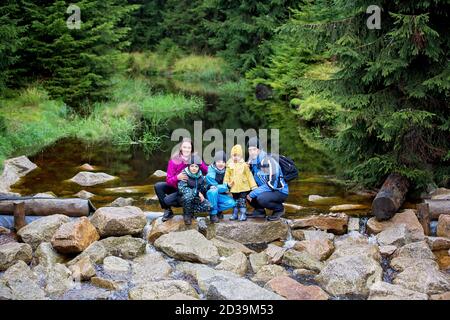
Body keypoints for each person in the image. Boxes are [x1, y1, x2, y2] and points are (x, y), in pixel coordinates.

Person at [154, 138, 208, 222]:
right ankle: (168, 210)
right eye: (184, 147)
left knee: (188, 194)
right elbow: (168, 180)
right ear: (181, 148)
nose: (186, 150)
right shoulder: (174, 160)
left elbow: (206, 170)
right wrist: (177, 177)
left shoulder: (195, 159)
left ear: (192, 149)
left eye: (189, 148)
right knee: (158, 186)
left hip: (189, 188)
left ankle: (189, 210)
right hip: (176, 187)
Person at [247, 137, 289, 221]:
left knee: (261, 198)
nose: (251, 152)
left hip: (278, 190)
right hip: (265, 189)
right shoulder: (253, 161)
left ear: (259, 149)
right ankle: (259, 211)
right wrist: (247, 169)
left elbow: (273, 183)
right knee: (243, 189)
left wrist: (253, 193)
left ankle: (279, 209)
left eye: (254, 149)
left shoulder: (268, 161)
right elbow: (251, 179)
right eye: (249, 150)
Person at [224, 144, 257, 221]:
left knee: (242, 201)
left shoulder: (244, 165)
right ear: (231, 156)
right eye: (234, 156)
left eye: (238, 156)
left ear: (241, 156)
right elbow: (226, 176)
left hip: (243, 187)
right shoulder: (229, 166)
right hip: (234, 187)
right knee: (235, 201)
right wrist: (226, 186)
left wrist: (253, 186)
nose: (236, 157)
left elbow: (249, 176)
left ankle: (243, 214)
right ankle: (235, 214)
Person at [178, 154, 211, 225]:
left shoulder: (201, 176)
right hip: (186, 198)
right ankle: (187, 215)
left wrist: (210, 186)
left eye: (196, 166)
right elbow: (182, 189)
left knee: (209, 206)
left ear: (198, 167)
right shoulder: (184, 174)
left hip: (196, 199)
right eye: (192, 166)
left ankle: (192, 212)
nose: (194, 168)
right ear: (189, 166)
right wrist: (196, 192)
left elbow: (204, 187)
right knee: (188, 196)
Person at [205, 150, 236, 222]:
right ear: (215, 162)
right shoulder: (210, 171)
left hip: (220, 196)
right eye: (218, 161)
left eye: (223, 162)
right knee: (213, 191)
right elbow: (215, 187)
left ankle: (216, 210)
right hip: (209, 196)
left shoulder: (227, 170)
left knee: (232, 203)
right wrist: (226, 186)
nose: (221, 164)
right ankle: (213, 214)